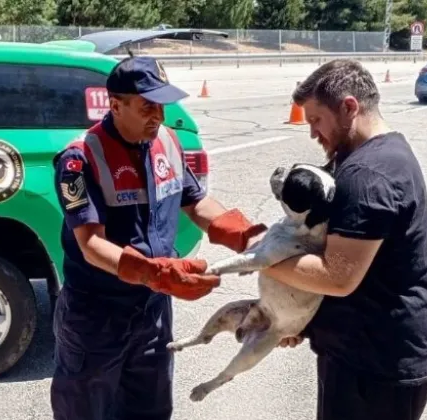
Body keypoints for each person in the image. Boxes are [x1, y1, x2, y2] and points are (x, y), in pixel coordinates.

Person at [49, 55, 267, 420]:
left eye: (162, 105)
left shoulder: (167, 142)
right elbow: (90, 244)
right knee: (84, 410)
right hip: (96, 314)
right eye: (147, 106)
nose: (159, 117)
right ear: (115, 105)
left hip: (152, 313)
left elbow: (196, 202)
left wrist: (248, 238)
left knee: (150, 410)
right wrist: (155, 272)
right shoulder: (80, 159)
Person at [261, 59, 427, 420]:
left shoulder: (368, 174)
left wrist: (261, 256)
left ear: (348, 108)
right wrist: (305, 322)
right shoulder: (378, 154)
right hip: (365, 356)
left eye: (316, 120)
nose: (313, 132)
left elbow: (337, 276)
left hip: (376, 369)